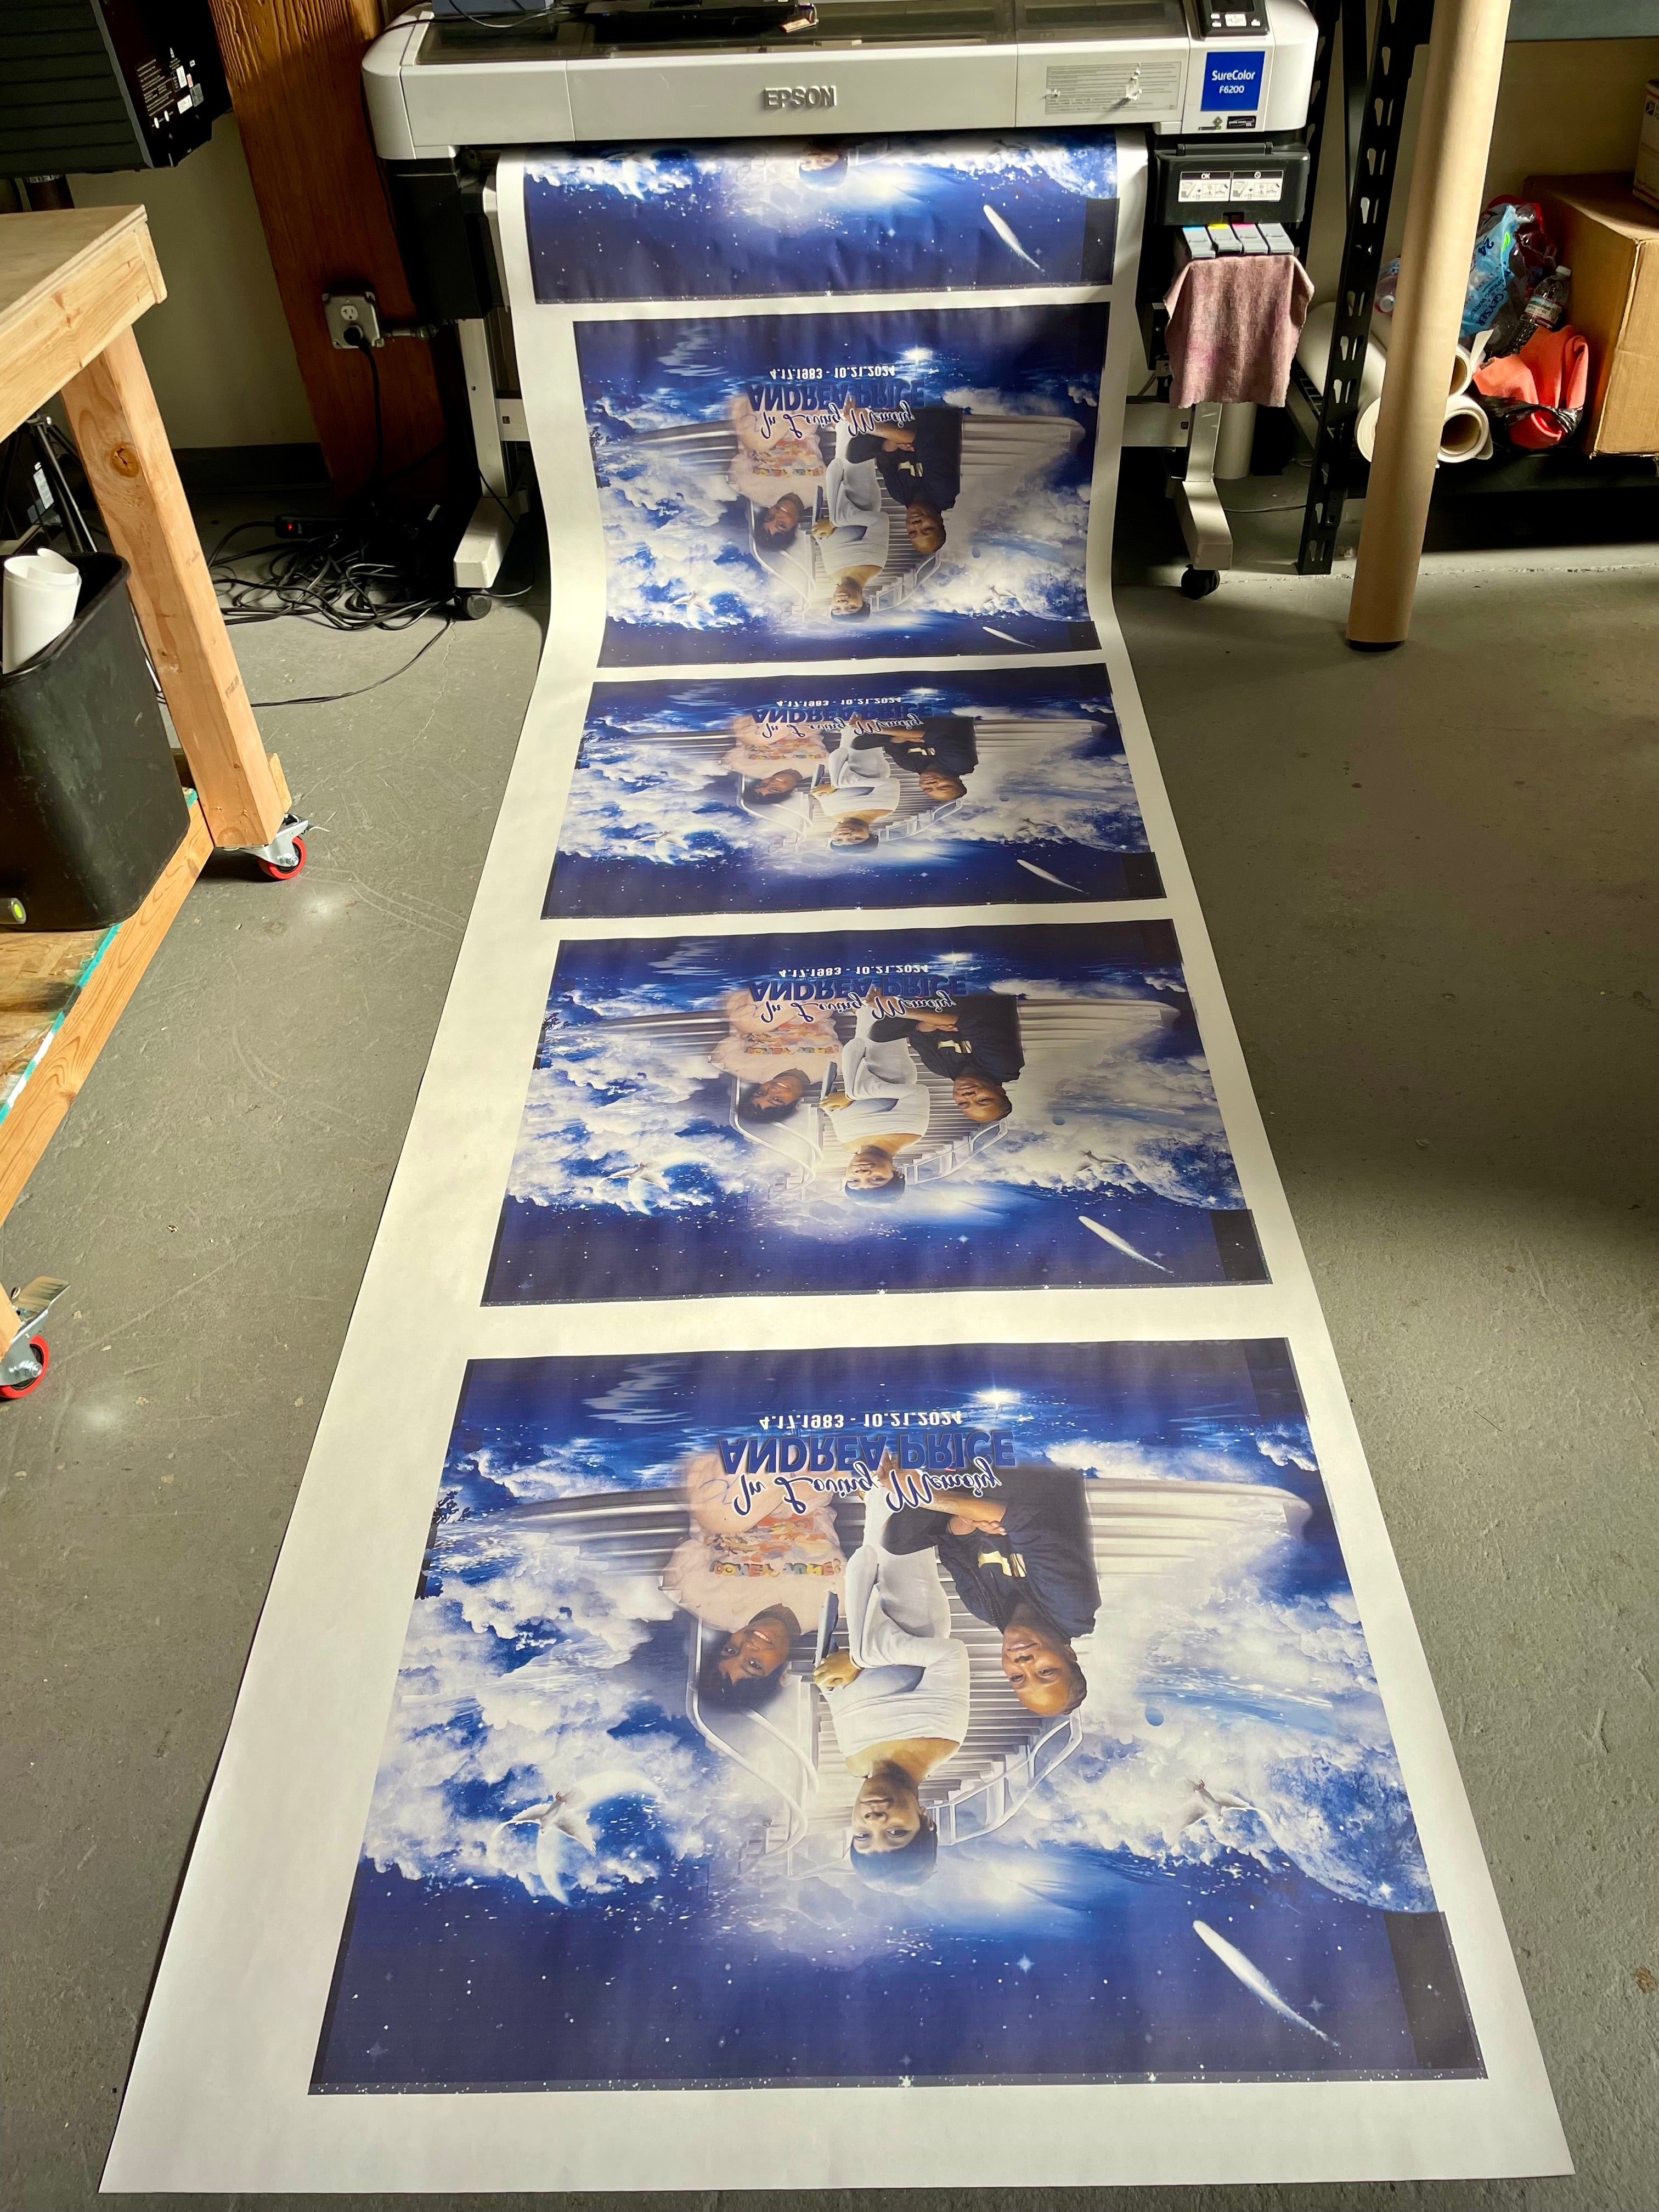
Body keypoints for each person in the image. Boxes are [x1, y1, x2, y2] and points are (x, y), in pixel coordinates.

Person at [812, 1505, 969, 1886]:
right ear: (925, 1820)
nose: (875, 1821)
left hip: (864, 1601)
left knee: (876, 1502)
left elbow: (841, 1694)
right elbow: (951, 1656)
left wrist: (829, 1677)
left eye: (863, 1837)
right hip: (911, 1600)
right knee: (897, 1502)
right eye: (897, 1832)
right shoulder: (943, 1738)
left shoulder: (854, 1762)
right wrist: (859, 1659)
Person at [882, 1464, 1098, 1717]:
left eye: (1017, 1677)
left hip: (989, 1498)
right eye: (1045, 1672)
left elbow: (953, 1547)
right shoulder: (1073, 1606)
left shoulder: (985, 1608)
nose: (1023, 1664)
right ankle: (940, 1471)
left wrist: (965, 1522)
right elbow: (1023, 1521)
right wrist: (926, 1497)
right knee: (976, 1492)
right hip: (1036, 1481)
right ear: (1069, 1654)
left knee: (897, 1541)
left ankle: (937, 1473)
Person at [666, 1448, 846, 1711]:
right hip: (806, 1483)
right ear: (782, 1673)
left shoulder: (705, 1599)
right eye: (754, 1664)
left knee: (725, 1519)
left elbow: (692, 1535)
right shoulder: (838, 1601)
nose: (748, 1645)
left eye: (731, 1650)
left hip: (731, 1487)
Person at [819, 1007, 929, 1200]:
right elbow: (917, 1093)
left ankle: (863, 1010)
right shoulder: (911, 1133)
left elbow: (838, 1111)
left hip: (856, 1063)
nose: (863, 1174)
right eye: (877, 1179)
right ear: (897, 1172)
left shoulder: (848, 1145)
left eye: (854, 1181)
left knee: (865, 1019)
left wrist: (829, 1105)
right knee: (880, 1012)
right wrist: (853, 1095)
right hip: (890, 1063)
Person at [867, 991, 1023, 1125]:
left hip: (945, 1011)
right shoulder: (1005, 1067)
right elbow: (974, 1023)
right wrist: (901, 1010)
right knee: (951, 1011)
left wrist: (929, 1025)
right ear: (1000, 1090)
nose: (968, 1096)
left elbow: (918, 1037)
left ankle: (904, 998)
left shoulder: (940, 1068)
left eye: (963, 1103)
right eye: (983, 1100)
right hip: (980, 998)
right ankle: (904, 999)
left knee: (879, 1035)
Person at [844, 404, 963, 556]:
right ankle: (872, 420)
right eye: (927, 529)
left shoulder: (899, 494)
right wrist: (870, 427)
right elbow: (927, 442)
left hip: (906, 430)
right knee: (876, 432)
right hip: (933, 415)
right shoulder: (944, 492)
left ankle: (875, 419)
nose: (916, 525)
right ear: (940, 521)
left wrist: (891, 444)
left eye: (913, 532)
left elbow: (885, 461)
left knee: (854, 455)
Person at [814, 421, 890, 620]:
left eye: (837, 609)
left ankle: (844, 418)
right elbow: (880, 521)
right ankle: (859, 413)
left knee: (842, 444)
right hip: (862, 494)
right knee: (855, 441)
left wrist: (821, 531)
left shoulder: (832, 575)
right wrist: (835, 522)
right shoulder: (874, 565)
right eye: (852, 608)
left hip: (837, 495)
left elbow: (826, 539)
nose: (842, 603)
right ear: (864, 602)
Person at [727, 395, 825, 532]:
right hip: (802, 416)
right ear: (794, 527)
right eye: (782, 524)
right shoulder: (822, 491)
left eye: (769, 517)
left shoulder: (755, 491)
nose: (778, 515)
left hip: (760, 421)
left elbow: (740, 458)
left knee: (760, 441)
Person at [850, 714, 978, 805]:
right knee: (871, 731)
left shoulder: (909, 765)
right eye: (944, 786)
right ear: (957, 780)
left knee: (859, 744)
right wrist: (877, 728)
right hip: (943, 716)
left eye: (927, 789)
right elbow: (937, 735)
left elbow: (892, 745)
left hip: (914, 725)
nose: (932, 784)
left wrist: (902, 737)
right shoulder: (962, 764)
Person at [808, 729, 900, 847]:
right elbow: (891, 784)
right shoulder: (884, 808)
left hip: (842, 760)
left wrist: (817, 792)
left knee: (847, 730)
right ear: (871, 834)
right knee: (860, 727)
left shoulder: (832, 816)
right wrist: (835, 786)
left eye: (838, 840)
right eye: (856, 839)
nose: (845, 835)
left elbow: (824, 795)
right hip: (867, 758)